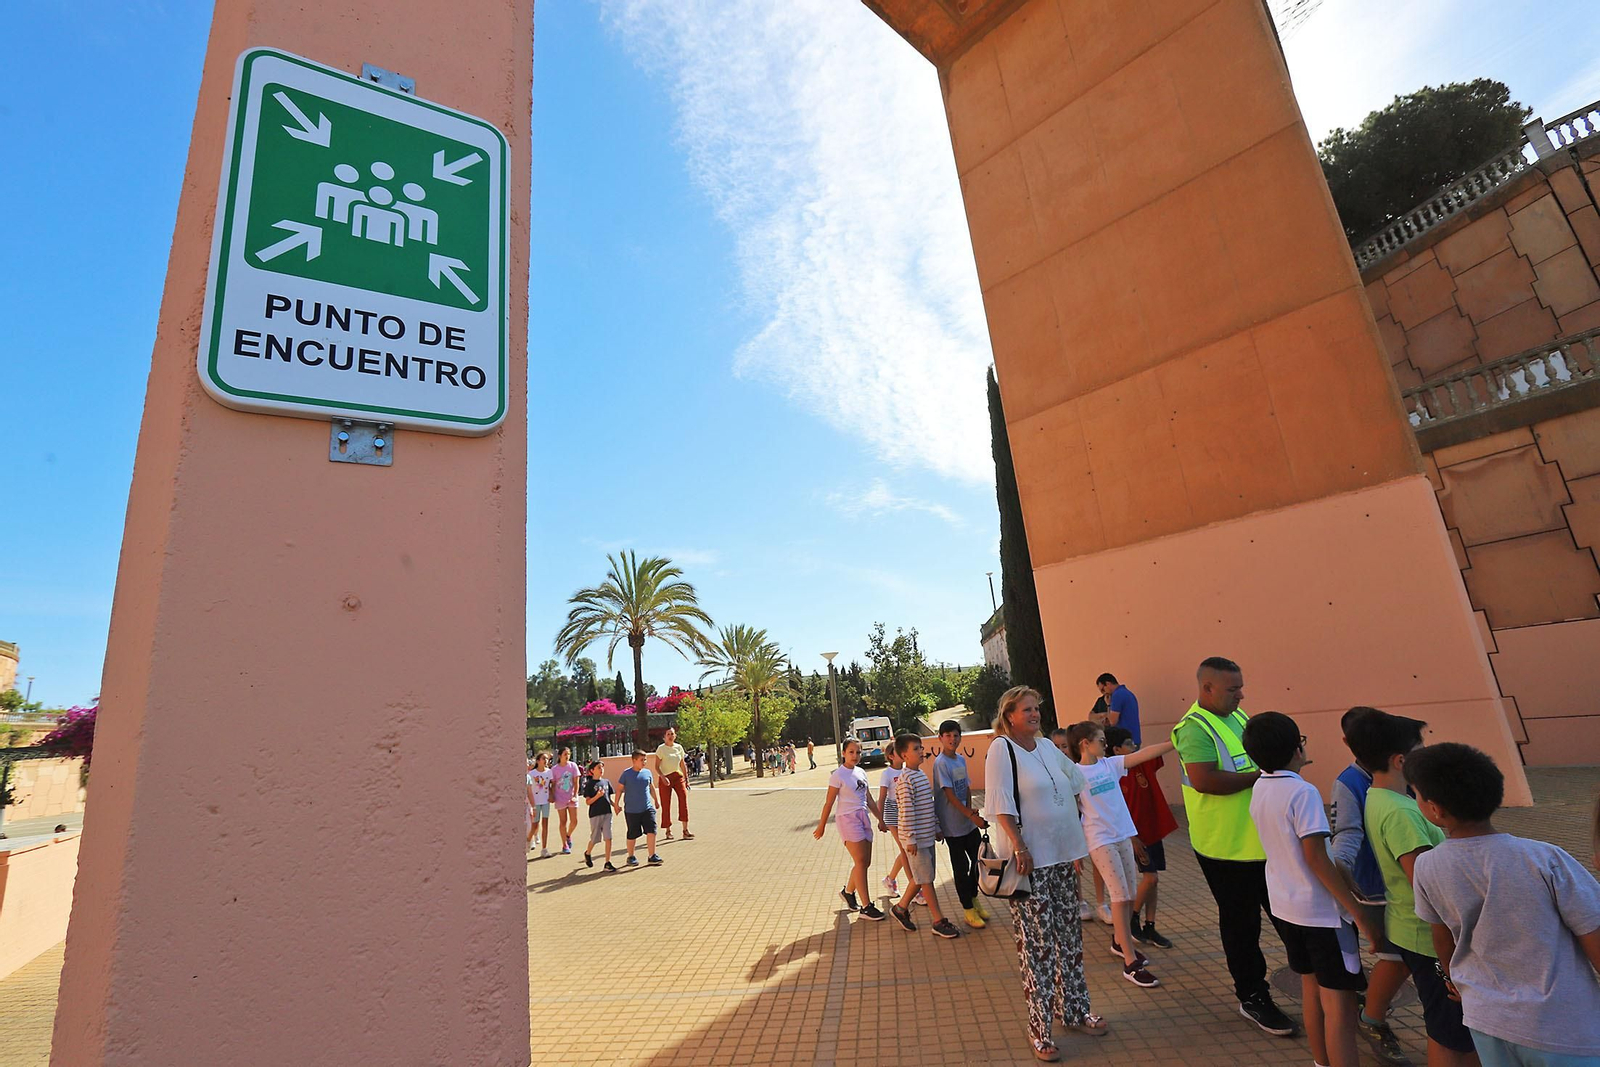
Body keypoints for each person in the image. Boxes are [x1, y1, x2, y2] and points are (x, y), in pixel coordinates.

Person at [1406, 742, 1600, 1066]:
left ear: (1435, 810)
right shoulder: (1544, 857)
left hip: (1486, 1020)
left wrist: (1453, 980)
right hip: (1562, 1027)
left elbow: (1442, 937)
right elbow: (1593, 931)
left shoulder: (1427, 866)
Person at [1242, 711, 1383, 1067]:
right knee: (1340, 1003)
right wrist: (1357, 912)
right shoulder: (1303, 793)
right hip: (1322, 914)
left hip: (1287, 908)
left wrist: (1347, 881)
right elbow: (1317, 858)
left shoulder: (1261, 786)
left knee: (1310, 987)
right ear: (1296, 749)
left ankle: (1321, 1062)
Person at [1171, 656, 1298, 1038]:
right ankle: (1253, 997)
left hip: (1261, 844)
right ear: (1207, 688)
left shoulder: (1238, 718)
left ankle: (1320, 984)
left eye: (1241, 687)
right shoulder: (1194, 728)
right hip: (1225, 849)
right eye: (1233, 689)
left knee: (1289, 918)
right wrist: (1260, 775)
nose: (1241, 695)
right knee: (1242, 927)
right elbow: (1205, 780)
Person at [1346, 711, 1478, 1066]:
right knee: (1453, 1034)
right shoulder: (1403, 813)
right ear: (1401, 760)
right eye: (1422, 749)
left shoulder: (1379, 797)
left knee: (1450, 1029)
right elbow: (1428, 884)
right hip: (1429, 939)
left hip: (1411, 929)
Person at [987, 686, 1105, 1062]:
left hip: (1062, 858)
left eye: (1037, 709)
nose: (1035, 715)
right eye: (1027, 710)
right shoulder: (1001, 750)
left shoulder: (1049, 747)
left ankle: (1075, 1009)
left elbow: (1074, 782)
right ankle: (1039, 1028)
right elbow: (1001, 806)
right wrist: (1020, 847)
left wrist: (1072, 845)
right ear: (1009, 716)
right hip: (1029, 865)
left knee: (1070, 938)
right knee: (1037, 948)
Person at [1329, 707, 1418, 1066]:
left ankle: (1374, 1013)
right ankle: (1373, 1018)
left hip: (1408, 883)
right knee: (1395, 956)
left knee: (1402, 957)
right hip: (1377, 889)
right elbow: (1346, 834)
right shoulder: (1349, 783)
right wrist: (1343, 877)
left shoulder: (1405, 774)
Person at [1064, 720, 1172, 988]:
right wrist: (1076, 852)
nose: (1105, 744)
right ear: (1084, 744)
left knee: (1130, 894)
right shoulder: (1074, 775)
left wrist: (1175, 742)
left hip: (1123, 834)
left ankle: (1119, 941)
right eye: (1100, 740)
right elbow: (1071, 815)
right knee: (1120, 896)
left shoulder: (1109, 765)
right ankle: (1130, 962)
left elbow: (1142, 755)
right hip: (1100, 840)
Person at [1105, 726, 1178, 950]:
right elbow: (1116, 811)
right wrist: (1132, 837)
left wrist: (1180, 734)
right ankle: (1130, 920)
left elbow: (1157, 751)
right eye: (1128, 743)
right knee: (1151, 878)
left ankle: (1149, 925)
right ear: (1116, 749)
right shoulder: (1113, 774)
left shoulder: (1142, 764)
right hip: (1135, 837)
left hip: (1152, 831)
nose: (1134, 746)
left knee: (1154, 881)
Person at [890, 733, 961, 939]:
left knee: (922, 877)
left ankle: (901, 909)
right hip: (916, 840)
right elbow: (906, 811)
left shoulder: (920, 774)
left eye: (921, 747)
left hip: (927, 835)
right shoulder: (904, 780)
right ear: (904, 755)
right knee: (927, 879)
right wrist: (910, 838)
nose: (922, 751)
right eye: (916, 749)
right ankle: (938, 921)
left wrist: (936, 826)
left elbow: (928, 805)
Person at [813, 737, 886, 921]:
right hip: (847, 819)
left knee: (864, 862)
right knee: (861, 861)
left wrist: (880, 819)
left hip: (863, 817)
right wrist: (821, 826)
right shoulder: (838, 775)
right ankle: (866, 907)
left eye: (858, 752)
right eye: (851, 752)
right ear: (844, 753)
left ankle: (848, 892)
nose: (855, 756)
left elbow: (868, 798)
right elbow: (829, 803)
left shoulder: (861, 772)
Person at [934, 719, 991, 929]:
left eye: (956, 735)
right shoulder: (941, 763)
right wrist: (969, 815)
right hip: (952, 826)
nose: (952, 739)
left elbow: (965, 787)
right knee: (961, 867)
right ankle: (967, 909)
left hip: (967, 822)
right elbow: (949, 794)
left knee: (979, 861)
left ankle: (974, 899)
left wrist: (971, 810)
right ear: (940, 738)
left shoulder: (960, 759)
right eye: (947, 735)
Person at [1053, 727, 1107, 925]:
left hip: (1089, 824)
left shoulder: (1079, 770)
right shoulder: (1052, 775)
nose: (1061, 751)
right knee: (1075, 864)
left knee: (1097, 862)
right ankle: (1080, 900)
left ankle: (1102, 903)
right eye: (1056, 747)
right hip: (1069, 825)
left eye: (1064, 746)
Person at [617, 750, 663, 867]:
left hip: (647, 808)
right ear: (634, 760)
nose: (644, 762)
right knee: (632, 834)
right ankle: (631, 856)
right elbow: (619, 789)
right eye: (642, 760)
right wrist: (616, 804)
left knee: (651, 830)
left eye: (645, 759)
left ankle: (652, 855)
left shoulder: (647, 773)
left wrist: (656, 801)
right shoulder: (626, 774)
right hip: (632, 810)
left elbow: (651, 788)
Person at [877, 744, 909, 896]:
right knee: (905, 850)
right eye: (898, 752)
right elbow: (882, 797)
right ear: (891, 756)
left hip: (906, 813)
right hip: (892, 813)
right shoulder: (887, 773)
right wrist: (880, 819)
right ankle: (914, 889)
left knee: (907, 850)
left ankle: (890, 879)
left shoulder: (907, 770)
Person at [654, 727, 693, 841]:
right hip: (665, 778)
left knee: (683, 799)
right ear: (664, 737)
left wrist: (686, 778)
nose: (670, 736)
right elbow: (656, 767)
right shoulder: (661, 749)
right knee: (666, 803)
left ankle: (685, 830)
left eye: (672, 734)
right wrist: (662, 777)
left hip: (678, 777)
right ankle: (668, 831)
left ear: (675, 736)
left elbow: (682, 764)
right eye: (668, 734)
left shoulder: (679, 747)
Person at [580, 759, 618, 872]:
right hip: (595, 814)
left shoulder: (606, 782)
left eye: (602, 768)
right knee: (595, 838)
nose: (601, 770)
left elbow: (608, 798)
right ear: (592, 770)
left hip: (607, 813)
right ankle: (588, 853)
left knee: (608, 837)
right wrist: (597, 796)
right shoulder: (590, 784)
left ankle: (607, 862)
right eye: (598, 768)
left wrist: (615, 805)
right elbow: (588, 802)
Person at [551, 746, 583, 855]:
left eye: (568, 754)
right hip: (560, 798)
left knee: (574, 821)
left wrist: (575, 795)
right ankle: (564, 844)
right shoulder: (554, 769)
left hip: (571, 797)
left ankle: (568, 835)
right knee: (563, 821)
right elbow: (553, 784)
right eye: (565, 754)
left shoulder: (573, 766)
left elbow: (576, 782)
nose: (567, 756)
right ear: (560, 756)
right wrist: (552, 795)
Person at [1095, 673, 1141, 743]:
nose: (1103, 693)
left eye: (1103, 690)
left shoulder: (1117, 695)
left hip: (1124, 741)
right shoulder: (1127, 693)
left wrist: (1108, 705)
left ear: (1108, 684)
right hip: (1134, 738)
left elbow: (1113, 722)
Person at [527, 751, 554, 857]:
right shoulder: (532, 774)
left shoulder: (549, 772)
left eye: (547, 759)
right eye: (544, 758)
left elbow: (551, 785)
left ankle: (544, 848)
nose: (546, 761)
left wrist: (551, 795)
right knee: (535, 825)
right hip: (536, 801)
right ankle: (528, 840)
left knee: (545, 824)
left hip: (545, 801)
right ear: (538, 761)